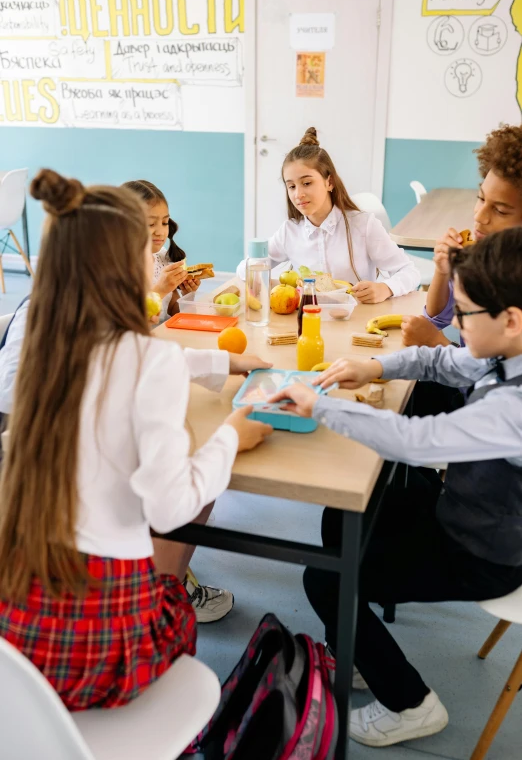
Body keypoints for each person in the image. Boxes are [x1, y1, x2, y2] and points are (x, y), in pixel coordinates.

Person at [0, 169, 273, 710]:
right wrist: (230, 438)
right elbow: (169, 503)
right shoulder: (149, 362)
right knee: (184, 520)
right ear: (129, 266)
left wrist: (218, 362)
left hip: (18, 657)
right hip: (103, 658)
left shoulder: (44, 351)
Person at [270, 227, 522, 748]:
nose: (454, 322)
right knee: (346, 512)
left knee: (326, 580)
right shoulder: (506, 349)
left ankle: (411, 705)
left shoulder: (514, 407)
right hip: (466, 512)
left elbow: (414, 441)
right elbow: (439, 360)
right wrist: (372, 365)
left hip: (484, 554)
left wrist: (320, 406)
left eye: (465, 312)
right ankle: (358, 640)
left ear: (511, 320)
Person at [237, 127, 420, 303]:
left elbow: (408, 271)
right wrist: (259, 278)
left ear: (329, 182)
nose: (298, 194)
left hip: (356, 319)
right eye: (291, 186)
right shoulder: (289, 231)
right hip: (309, 319)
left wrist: (386, 288)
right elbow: (244, 268)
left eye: (307, 183)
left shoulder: (363, 226)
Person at [402, 124, 522, 350]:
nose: (480, 215)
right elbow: (437, 318)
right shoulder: (483, 255)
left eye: (500, 211)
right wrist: (442, 269)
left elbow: (487, 375)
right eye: (481, 198)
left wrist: (437, 342)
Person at [122, 179, 199, 323]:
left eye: (165, 223)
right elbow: (124, 321)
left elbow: (173, 309)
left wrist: (188, 294)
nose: (160, 232)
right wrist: (160, 290)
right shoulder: (117, 266)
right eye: (151, 224)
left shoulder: (162, 257)